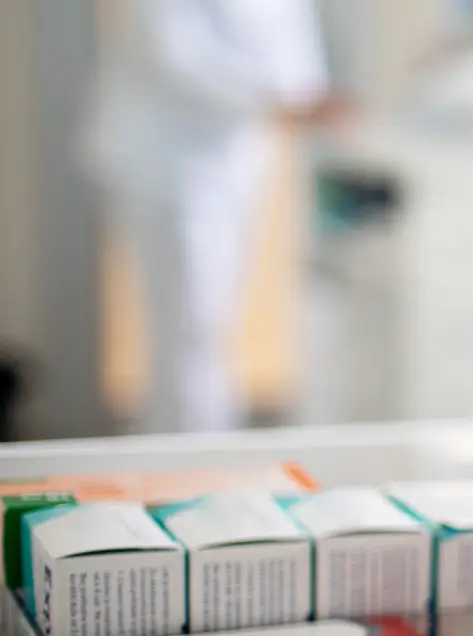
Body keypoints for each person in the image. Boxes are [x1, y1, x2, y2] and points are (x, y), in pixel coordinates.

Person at [84, 0, 345, 434]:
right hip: (167, 164)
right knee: (189, 329)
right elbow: (174, 53)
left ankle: (205, 456)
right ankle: (180, 464)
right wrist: (281, 102)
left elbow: (296, 57)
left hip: (233, 162)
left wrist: (307, 100)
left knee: (213, 328)